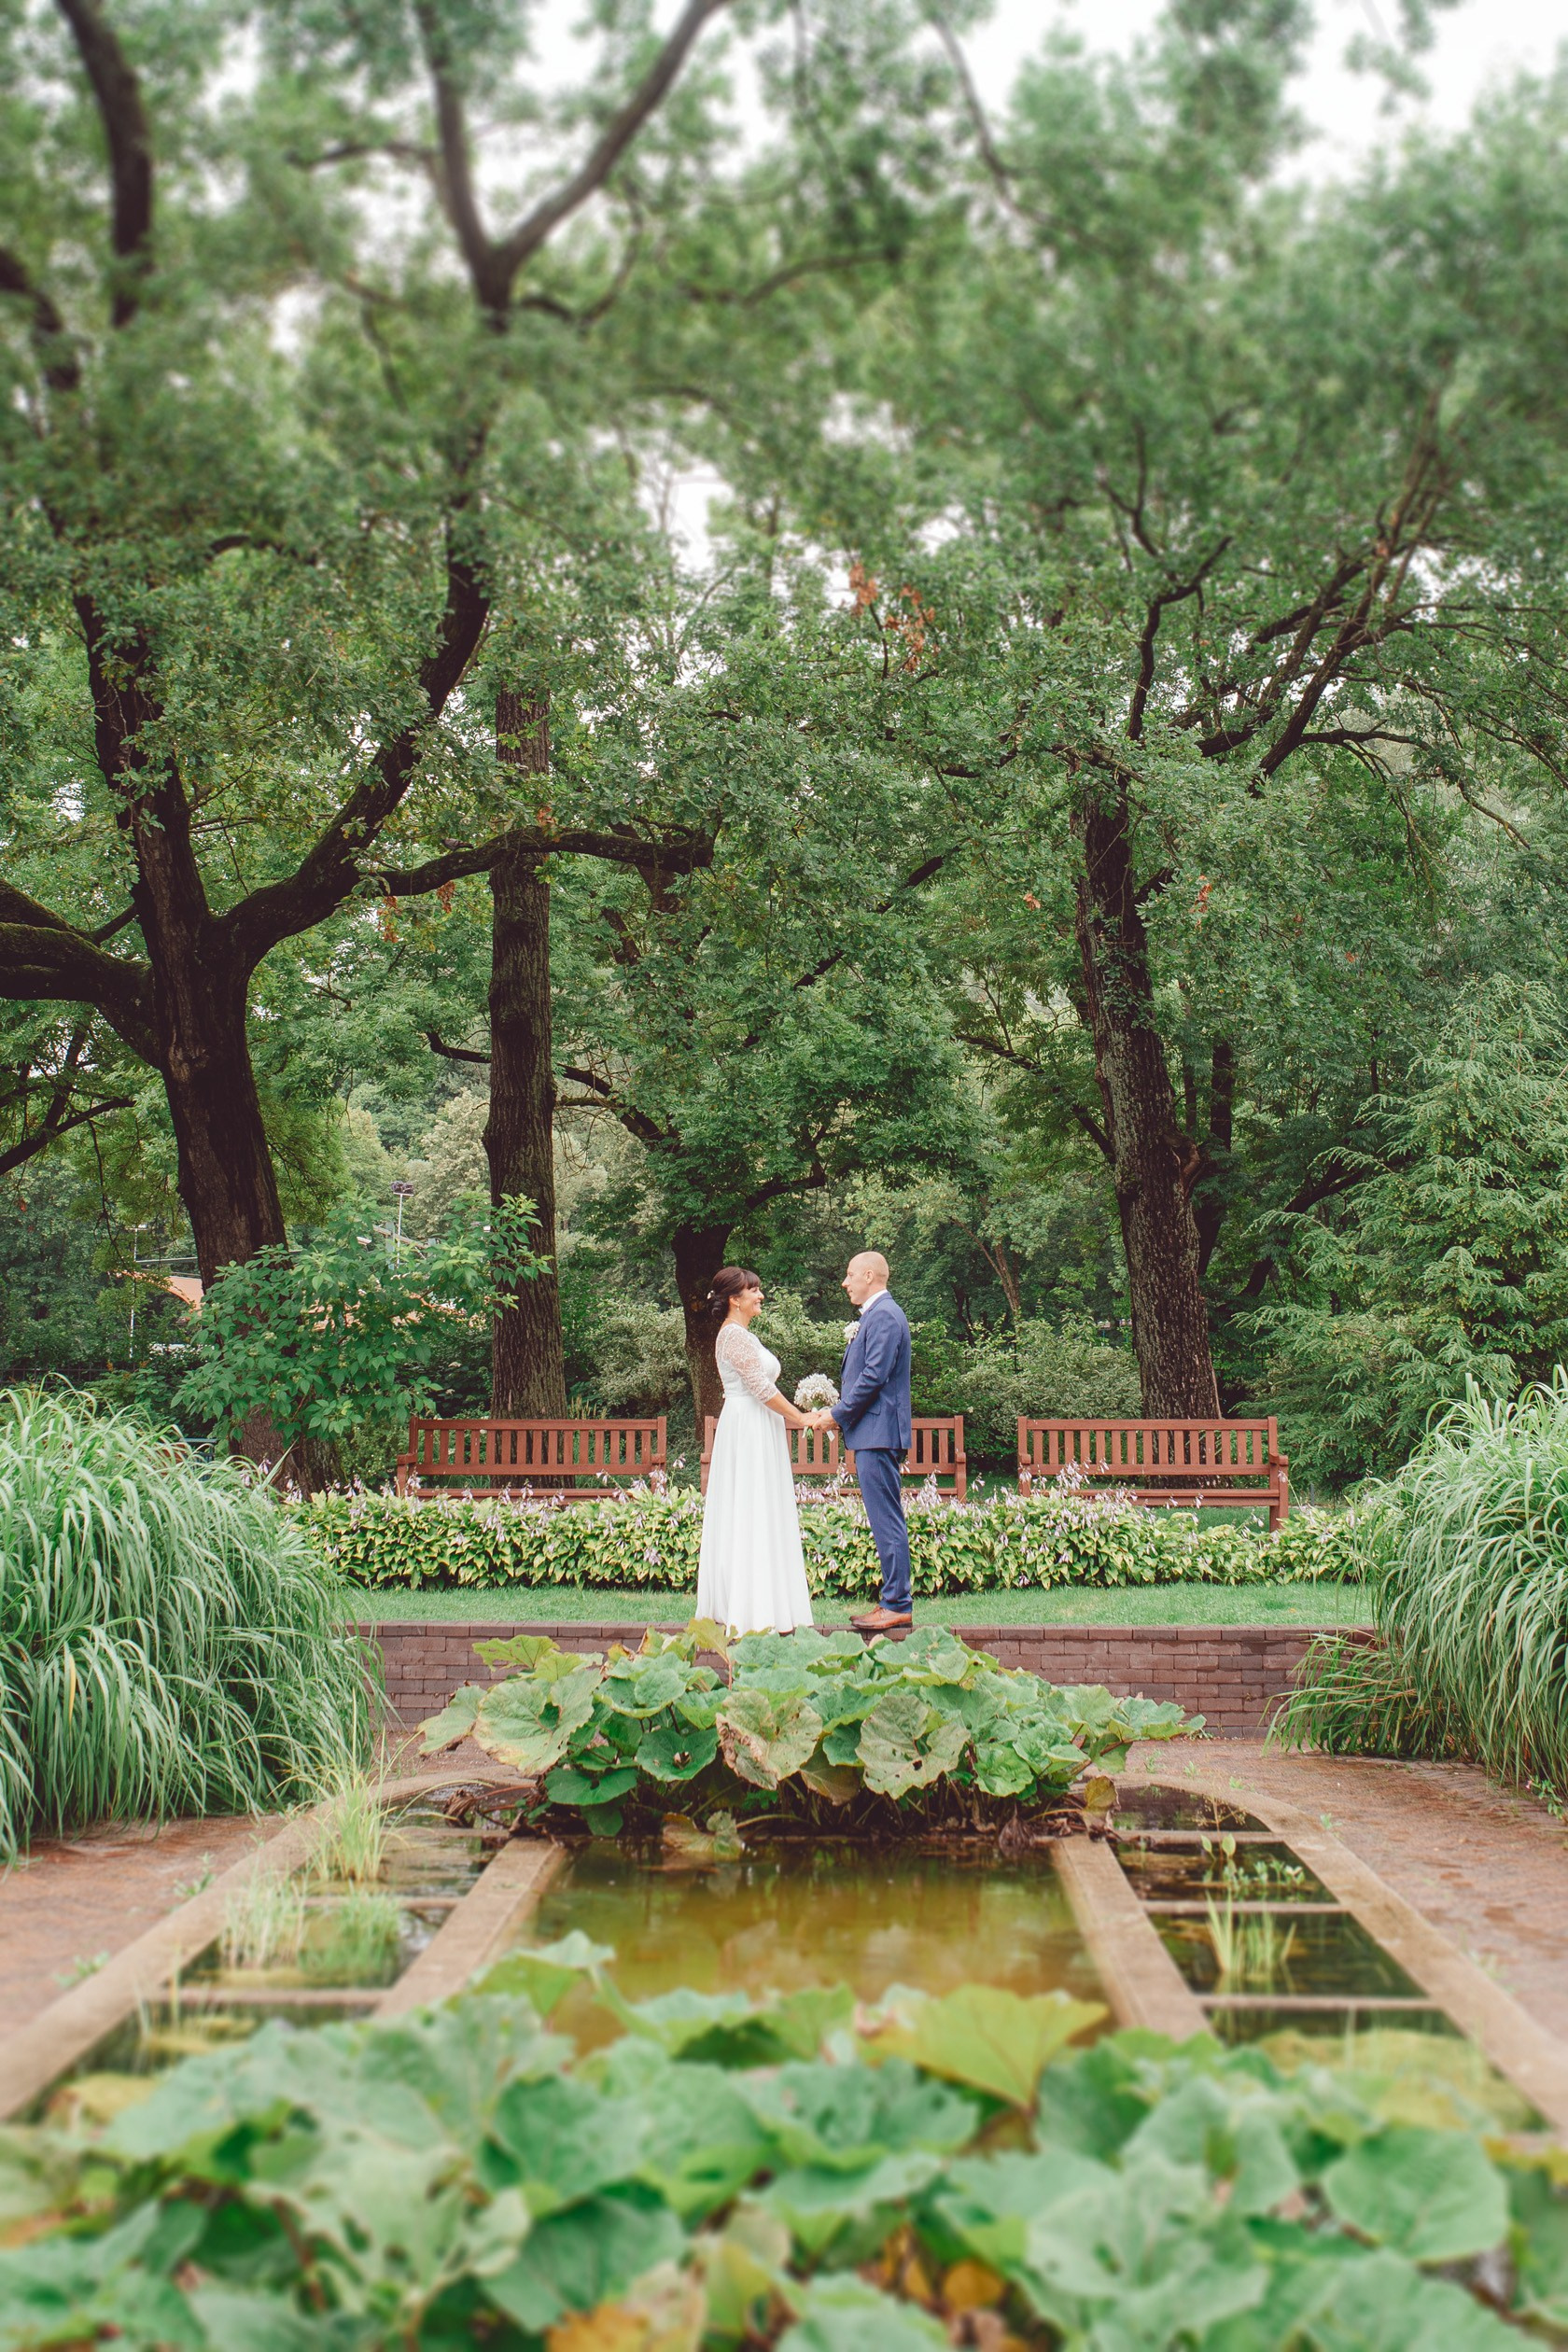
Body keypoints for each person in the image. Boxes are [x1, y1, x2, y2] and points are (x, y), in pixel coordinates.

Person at [695, 1266, 816, 1635]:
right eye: (754, 1290)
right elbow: (761, 1389)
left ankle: (768, 1604)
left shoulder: (743, 1335)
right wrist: (802, 1418)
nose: (761, 1295)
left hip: (759, 1424)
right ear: (735, 1299)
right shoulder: (732, 1336)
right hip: (747, 1427)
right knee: (749, 1508)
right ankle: (750, 1611)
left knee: (763, 1508)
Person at [807, 1250, 913, 1632]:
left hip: (878, 1433)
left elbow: (873, 1376)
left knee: (886, 1518)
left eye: (850, 1275)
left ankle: (897, 1604)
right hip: (873, 1432)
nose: (845, 1282)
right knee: (884, 1517)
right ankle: (893, 1600)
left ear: (869, 1276)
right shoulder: (877, 1315)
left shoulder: (884, 1315)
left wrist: (836, 1415)